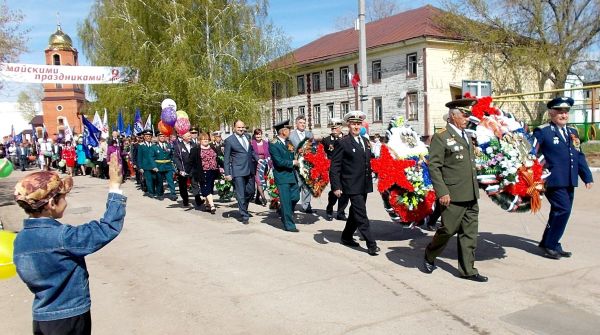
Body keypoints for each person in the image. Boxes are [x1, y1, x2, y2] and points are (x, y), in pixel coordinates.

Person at [13, 152, 125, 335]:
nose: (66, 200)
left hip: (42, 318)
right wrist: (114, 186)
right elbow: (107, 228)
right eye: (63, 196)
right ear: (51, 203)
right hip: (69, 318)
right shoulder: (61, 237)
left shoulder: (21, 238)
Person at [422, 98, 488, 282]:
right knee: (448, 230)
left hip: (471, 194)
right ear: (453, 116)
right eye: (464, 114)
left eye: (468, 115)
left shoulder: (466, 135)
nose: (467, 118)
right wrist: (442, 192)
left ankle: (468, 270)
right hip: (453, 195)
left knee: (469, 233)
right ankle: (430, 253)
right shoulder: (441, 137)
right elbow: (434, 166)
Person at [533, 97, 594, 259]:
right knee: (563, 209)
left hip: (569, 179)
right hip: (552, 179)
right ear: (551, 112)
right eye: (559, 111)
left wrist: (587, 176)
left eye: (566, 112)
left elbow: (579, 155)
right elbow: (533, 153)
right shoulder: (543, 131)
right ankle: (550, 245)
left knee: (559, 211)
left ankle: (550, 241)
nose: (563, 115)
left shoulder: (572, 131)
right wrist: (539, 172)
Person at [330, 111, 380, 256]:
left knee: (355, 212)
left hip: (363, 183)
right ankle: (371, 243)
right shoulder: (343, 142)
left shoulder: (365, 141)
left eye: (358, 124)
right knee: (361, 213)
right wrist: (336, 186)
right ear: (348, 125)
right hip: (350, 184)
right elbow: (335, 166)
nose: (356, 126)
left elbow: (367, 161)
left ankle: (346, 236)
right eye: (353, 124)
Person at [269, 120, 300, 232]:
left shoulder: (289, 142)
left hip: (292, 175)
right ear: (283, 131)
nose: (290, 131)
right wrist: (292, 163)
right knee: (286, 201)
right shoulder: (273, 144)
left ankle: (283, 210)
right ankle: (289, 225)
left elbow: (293, 155)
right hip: (282, 176)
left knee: (296, 197)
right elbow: (278, 162)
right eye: (288, 129)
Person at [223, 119, 257, 225]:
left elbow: (251, 151)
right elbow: (226, 158)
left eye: (243, 127)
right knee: (241, 193)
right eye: (239, 127)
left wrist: (257, 158)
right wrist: (227, 173)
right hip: (237, 171)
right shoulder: (229, 140)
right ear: (234, 128)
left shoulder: (247, 137)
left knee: (251, 192)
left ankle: (243, 207)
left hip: (249, 169)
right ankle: (244, 215)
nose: (241, 129)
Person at [321, 118, 349, 221]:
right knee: (335, 190)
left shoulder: (347, 138)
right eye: (332, 128)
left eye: (335, 128)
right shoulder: (327, 140)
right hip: (334, 169)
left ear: (340, 128)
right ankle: (329, 208)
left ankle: (340, 213)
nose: (333, 130)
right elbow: (322, 153)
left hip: (346, 168)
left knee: (345, 191)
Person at [288, 115, 314, 213]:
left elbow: (313, 147)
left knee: (307, 186)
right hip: (297, 165)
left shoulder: (309, 134)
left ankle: (306, 206)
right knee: (297, 186)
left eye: (304, 123)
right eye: (301, 123)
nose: (302, 125)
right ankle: (291, 205)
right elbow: (289, 150)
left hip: (308, 164)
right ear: (296, 124)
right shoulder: (291, 135)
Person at [190, 132, 221, 213]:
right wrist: (186, 171)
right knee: (206, 188)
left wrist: (222, 167)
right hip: (202, 172)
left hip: (213, 171)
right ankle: (212, 205)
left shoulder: (213, 148)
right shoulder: (195, 150)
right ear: (200, 140)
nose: (206, 141)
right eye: (203, 139)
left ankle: (207, 205)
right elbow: (190, 162)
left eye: (207, 139)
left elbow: (218, 158)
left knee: (210, 188)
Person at [173, 132, 196, 207]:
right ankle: (185, 200)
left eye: (190, 135)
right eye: (188, 135)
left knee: (195, 184)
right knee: (183, 186)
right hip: (183, 169)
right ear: (183, 137)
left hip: (193, 169)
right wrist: (180, 168)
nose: (190, 136)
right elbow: (176, 158)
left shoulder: (194, 144)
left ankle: (198, 199)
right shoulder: (178, 146)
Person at [152, 132, 177, 201]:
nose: (162, 137)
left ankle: (173, 194)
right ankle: (160, 194)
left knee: (170, 180)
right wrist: (154, 166)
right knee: (159, 181)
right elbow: (151, 157)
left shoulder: (168, 145)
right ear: (158, 138)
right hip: (159, 166)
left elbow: (172, 155)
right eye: (160, 136)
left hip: (168, 166)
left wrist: (173, 162)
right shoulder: (154, 147)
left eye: (163, 136)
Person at [251, 128, 271, 206]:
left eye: (259, 134)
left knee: (263, 181)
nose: (258, 136)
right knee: (259, 180)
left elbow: (268, 154)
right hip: (256, 164)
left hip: (265, 164)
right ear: (254, 135)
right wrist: (257, 159)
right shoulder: (252, 143)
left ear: (261, 134)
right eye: (256, 134)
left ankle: (257, 198)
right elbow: (252, 154)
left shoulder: (266, 143)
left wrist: (269, 164)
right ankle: (263, 198)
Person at [137, 130, 158, 198]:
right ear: (144, 137)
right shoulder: (141, 145)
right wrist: (140, 167)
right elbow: (139, 157)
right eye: (147, 136)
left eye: (149, 136)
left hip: (154, 165)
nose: (148, 137)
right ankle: (151, 192)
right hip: (145, 166)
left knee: (155, 178)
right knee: (149, 180)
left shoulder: (154, 145)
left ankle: (154, 190)